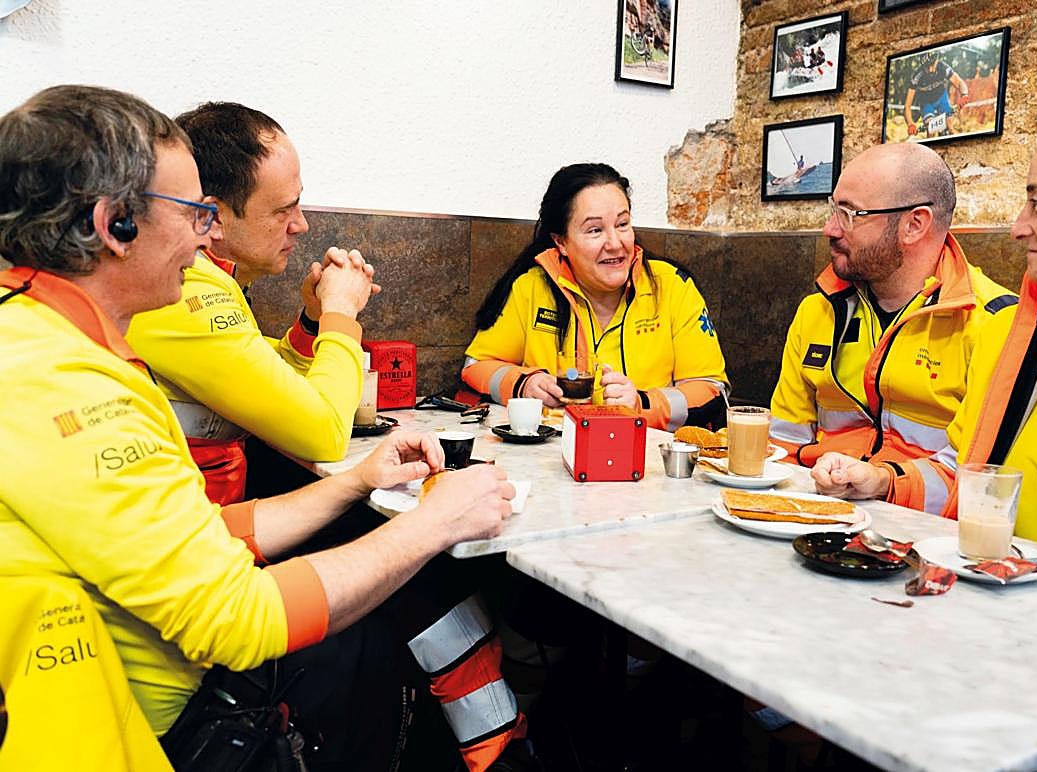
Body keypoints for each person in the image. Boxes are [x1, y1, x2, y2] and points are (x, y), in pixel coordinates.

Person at [0, 85, 527, 771]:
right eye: (193, 213)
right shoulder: (62, 381)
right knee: (371, 643)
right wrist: (433, 526)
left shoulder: (44, 335)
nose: (204, 233)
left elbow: (184, 536)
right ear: (116, 224)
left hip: (129, 684)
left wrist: (352, 487)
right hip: (149, 728)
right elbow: (238, 619)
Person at [812, 87, 1037, 771]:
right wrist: (885, 483)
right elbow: (978, 484)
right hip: (1000, 648)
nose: (1017, 227)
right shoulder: (1036, 329)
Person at [125, 102, 374, 506]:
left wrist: (311, 323)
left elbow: (268, 380)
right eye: (283, 209)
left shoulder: (211, 276)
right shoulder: (184, 289)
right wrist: (341, 314)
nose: (301, 224)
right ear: (214, 217)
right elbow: (324, 433)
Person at [769, 143, 1016, 475]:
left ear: (914, 225)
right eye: (833, 209)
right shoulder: (817, 310)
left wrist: (885, 483)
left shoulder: (994, 324)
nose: (830, 228)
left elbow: (979, 477)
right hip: (815, 507)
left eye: (849, 214)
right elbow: (782, 445)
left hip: (923, 523)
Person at [463, 162, 729, 431]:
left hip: (649, 464)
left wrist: (641, 404)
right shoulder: (532, 287)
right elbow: (476, 366)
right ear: (561, 242)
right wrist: (523, 384)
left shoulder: (672, 286)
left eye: (622, 224)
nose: (615, 243)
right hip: (550, 460)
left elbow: (711, 389)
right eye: (595, 230)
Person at [903, 52, 970, 137]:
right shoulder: (917, 76)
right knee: (931, 129)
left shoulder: (943, 67)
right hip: (926, 103)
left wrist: (964, 94)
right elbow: (907, 105)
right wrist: (910, 123)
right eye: (927, 67)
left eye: (932, 65)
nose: (930, 69)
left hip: (941, 97)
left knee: (950, 125)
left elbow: (959, 82)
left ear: (937, 60)